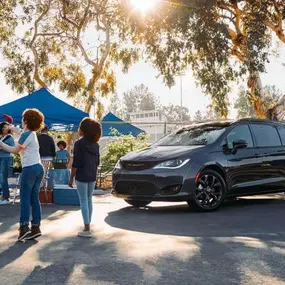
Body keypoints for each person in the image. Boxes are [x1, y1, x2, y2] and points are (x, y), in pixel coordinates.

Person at [0, 109, 45, 241]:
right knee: (34, 198)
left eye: (22, 118)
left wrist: (1, 143)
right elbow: (20, 132)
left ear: (25, 121)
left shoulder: (26, 135)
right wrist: (11, 127)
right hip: (38, 168)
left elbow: (14, 150)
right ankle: (36, 228)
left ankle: (24, 228)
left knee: (25, 198)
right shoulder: (31, 133)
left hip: (29, 169)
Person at [69, 118, 101, 238]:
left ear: (84, 130)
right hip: (92, 174)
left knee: (83, 200)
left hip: (82, 175)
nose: (79, 129)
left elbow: (76, 163)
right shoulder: (96, 145)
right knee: (89, 199)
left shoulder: (79, 144)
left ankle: (86, 228)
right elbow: (97, 161)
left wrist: (71, 178)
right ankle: (88, 225)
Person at [0, 122, 15, 205]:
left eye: (5, 127)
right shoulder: (2, 137)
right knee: (0, 178)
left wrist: (2, 148)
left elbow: (12, 148)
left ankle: (6, 197)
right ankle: (2, 196)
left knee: (3, 178)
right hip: (1, 158)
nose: (4, 129)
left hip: (5, 158)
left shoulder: (10, 137)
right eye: (3, 127)